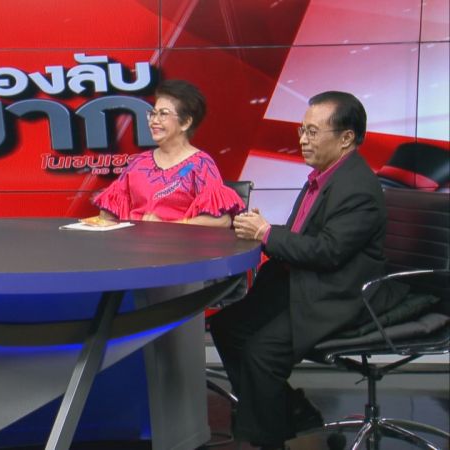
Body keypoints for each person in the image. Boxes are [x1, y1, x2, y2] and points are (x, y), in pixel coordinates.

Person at [211, 91, 397, 449]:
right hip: (304, 281)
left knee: (261, 353)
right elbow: (306, 238)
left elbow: (328, 252)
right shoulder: (325, 176)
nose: (302, 139)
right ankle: (292, 414)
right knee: (227, 327)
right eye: (302, 130)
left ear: (346, 138)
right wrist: (263, 231)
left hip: (339, 294)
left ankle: (267, 438)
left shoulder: (357, 187)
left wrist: (266, 233)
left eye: (313, 132)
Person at [91, 79, 244, 225]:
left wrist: (168, 226)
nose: (154, 121)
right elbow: (109, 211)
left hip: (179, 243)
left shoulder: (201, 164)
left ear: (185, 122)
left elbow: (222, 221)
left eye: (163, 114)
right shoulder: (139, 162)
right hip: (134, 241)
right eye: (153, 113)